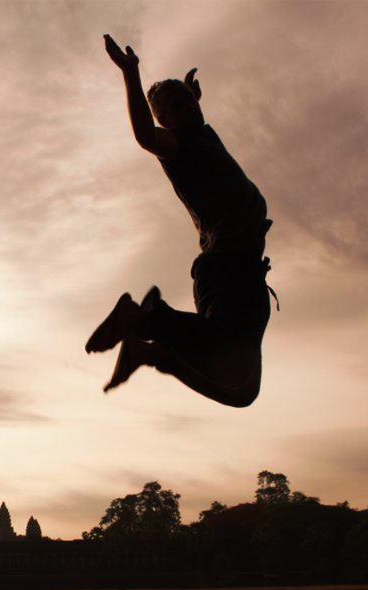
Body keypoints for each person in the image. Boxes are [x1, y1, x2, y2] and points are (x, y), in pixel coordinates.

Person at [87, 35, 277, 408]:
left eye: (190, 102)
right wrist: (131, 74)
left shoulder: (202, 136)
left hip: (245, 268)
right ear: (164, 119)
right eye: (177, 107)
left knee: (243, 390)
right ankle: (142, 319)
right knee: (233, 365)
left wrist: (188, 95)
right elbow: (145, 136)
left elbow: (189, 112)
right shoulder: (179, 146)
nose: (188, 108)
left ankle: (147, 353)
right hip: (228, 265)